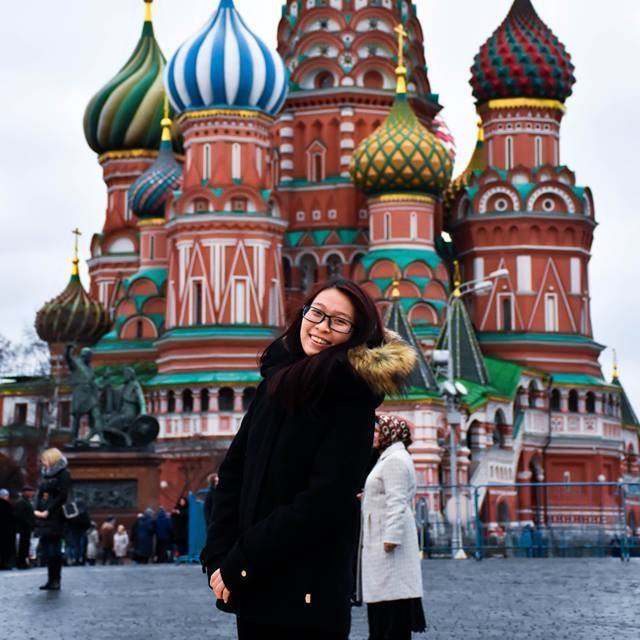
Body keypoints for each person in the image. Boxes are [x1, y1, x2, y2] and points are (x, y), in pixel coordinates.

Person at [201, 279, 417, 640]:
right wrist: (218, 556)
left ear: (355, 334)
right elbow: (234, 471)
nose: (322, 327)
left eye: (339, 321)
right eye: (316, 313)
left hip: (308, 586)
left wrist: (243, 560)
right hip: (253, 581)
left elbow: (325, 498)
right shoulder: (274, 382)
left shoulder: (350, 396)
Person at [361, 414, 426, 640]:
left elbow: (397, 501)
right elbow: (386, 492)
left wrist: (391, 539)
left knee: (389, 603)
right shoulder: (389, 458)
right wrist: (368, 497)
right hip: (381, 535)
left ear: (391, 433)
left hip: (386, 543)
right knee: (384, 600)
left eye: (378, 431)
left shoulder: (394, 460)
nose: (374, 435)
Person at [34, 448, 72, 590]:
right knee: (47, 550)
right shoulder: (45, 473)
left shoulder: (63, 474)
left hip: (56, 516)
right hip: (43, 516)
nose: (43, 462)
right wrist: (37, 509)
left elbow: (62, 496)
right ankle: (51, 580)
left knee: (54, 550)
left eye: (45, 459)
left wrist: (48, 510)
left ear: (52, 459)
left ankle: (56, 580)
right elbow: (40, 493)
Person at [13, 485, 36, 569]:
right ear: (25, 492)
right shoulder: (22, 502)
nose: (32, 493)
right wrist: (28, 522)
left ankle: (23, 562)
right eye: (30, 491)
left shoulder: (26, 501)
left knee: (25, 546)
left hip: (26, 528)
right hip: (23, 528)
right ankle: (21, 563)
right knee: (22, 546)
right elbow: (18, 515)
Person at [0, 488, 15, 570]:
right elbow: (12, 517)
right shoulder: (7, 505)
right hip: (7, 531)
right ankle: (4, 564)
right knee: (6, 549)